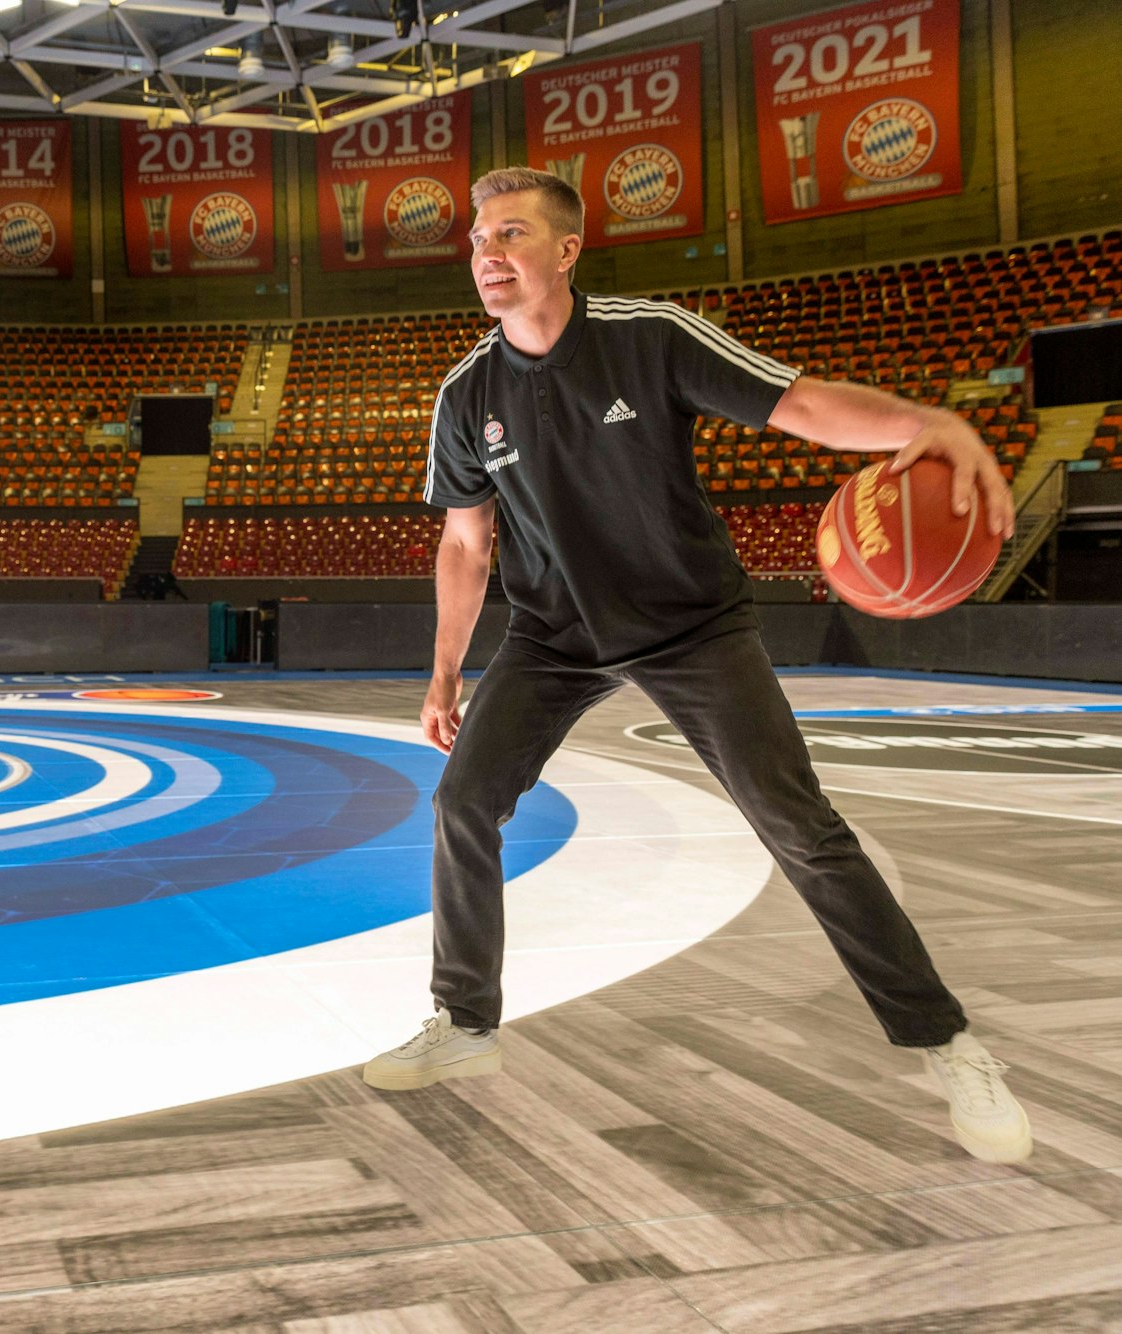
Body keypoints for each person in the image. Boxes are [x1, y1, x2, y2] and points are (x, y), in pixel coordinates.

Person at [361, 166, 1033, 1166]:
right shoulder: (468, 395)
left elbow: (797, 405)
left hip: (689, 623)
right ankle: (465, 1025)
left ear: (566, 249)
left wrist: (923, 424)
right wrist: (443, 671)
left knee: (801, 827)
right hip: (554, 634)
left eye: (508, 235)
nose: (486, 255)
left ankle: (948, 1043)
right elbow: (467, 543)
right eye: (476, 240)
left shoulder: (649, 335)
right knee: (463, 802)